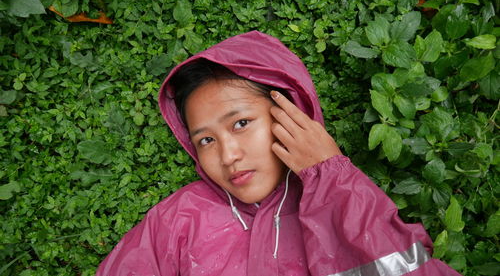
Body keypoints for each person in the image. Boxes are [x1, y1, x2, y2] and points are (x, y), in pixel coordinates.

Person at [95, 31, 461, 276]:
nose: (228, 155)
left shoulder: (344, 203)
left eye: (240, 124)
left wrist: (330, 176)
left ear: (292, 114)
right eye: (206, 140)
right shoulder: (178, 218)